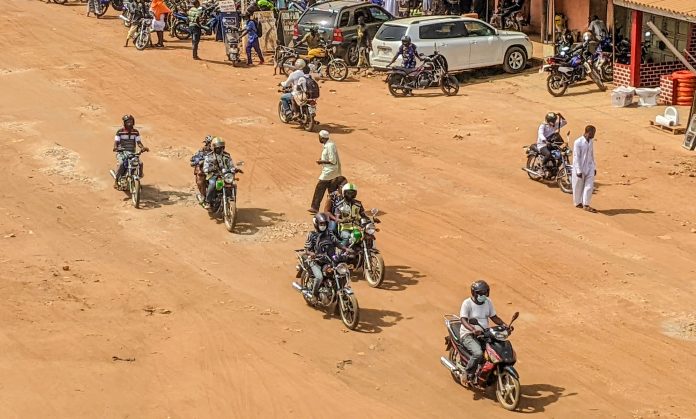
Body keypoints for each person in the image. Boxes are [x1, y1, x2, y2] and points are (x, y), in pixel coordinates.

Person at [459, 280, 508, 386]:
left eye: (485, 292)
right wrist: (472, 329)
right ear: (474, 293)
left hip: (484, 333)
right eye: (480, 293)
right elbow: (463, 319)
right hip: (468, 334)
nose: (483, 295)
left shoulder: (488, 302)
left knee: (495, 351)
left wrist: (504, 325)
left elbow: (493, 317)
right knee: (478, 353)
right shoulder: (467, 303)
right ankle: (467, 373)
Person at [303, 213, 348, 300]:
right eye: (321, 224)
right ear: (316, 224)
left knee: (342, 274)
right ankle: (314, 295)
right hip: (316, 261)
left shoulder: (329, 233)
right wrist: (312, 254)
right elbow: (307, 250)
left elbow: (337, 243)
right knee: (319, 277)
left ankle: (336, 295)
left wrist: (345, 248)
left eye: (324, 224)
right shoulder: (311, 235)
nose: (323, 226)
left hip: (329, 261)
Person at [309, 130, 342, 214]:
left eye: (319, 137)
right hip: (332, 172)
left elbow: (332, 161)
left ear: (322, 138)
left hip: (330, 171)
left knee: (320, 187)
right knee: (332, 191)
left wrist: (322, 162)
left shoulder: (329, 146)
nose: (319, 138)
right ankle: (334, 209)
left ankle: (315, 207)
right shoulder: (328, 144)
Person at [112, 115, 149, 189]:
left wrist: (143, 148)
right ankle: (116, 180)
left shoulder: (135, 132)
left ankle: (138, 178)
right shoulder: (119, 132)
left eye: (131, 121)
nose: (130, 123)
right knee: (121, 164)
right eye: (128, 122)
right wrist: (116, 148)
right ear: (125, 123)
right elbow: (116, 142)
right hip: (122, 152)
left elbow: (138, 142)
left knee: (140, 163)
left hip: (132, 152)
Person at [203, 137, 236, 209]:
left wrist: (234, 169)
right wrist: (210, 169)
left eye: (221, 147)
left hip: (225, 175)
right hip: (213, 175)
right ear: (214, 148)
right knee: (212, 184)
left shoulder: (227, 155)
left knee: (233, 184)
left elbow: (231, 165)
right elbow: (205, 168)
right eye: (218, 147)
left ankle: (232, 198)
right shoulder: (209, 156)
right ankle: (208, 201)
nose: (219, 149)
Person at [572, 125, 597, 212]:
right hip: (580, 167)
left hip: (589, 167)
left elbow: (592, 154)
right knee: (578, 186)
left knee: (589, 186)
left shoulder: (591, 141)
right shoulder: (578, 142)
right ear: (587, 132)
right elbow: (576, 157)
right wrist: (578, 170)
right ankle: (578, 202)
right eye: (592, 133)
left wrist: (594, 167)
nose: (594, 135)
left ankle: (586, 204)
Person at [537, 112, 566, 177]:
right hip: (542, 145)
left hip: (551, 144)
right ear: (548, 120)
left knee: (560, 154)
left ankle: (555, 168)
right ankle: (543, 167)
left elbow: (564, 122)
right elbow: (540, 134)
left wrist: (560, 115)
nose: (554, 122)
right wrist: (545, 141)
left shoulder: (554, 125)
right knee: (548, 154)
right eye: (553, 121)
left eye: (555, 120)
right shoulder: (543, 126)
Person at [190, 135, 213, 199]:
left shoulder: (218, 151)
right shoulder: (202, 150)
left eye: (212, 143)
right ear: (207, 143)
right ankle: (203, 195)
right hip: (203, 170)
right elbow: (194, 158)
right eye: (209, 143)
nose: (211, 145)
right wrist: (198, 161)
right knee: (200, 181)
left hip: (214, 170)